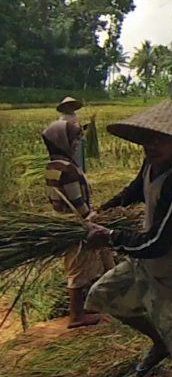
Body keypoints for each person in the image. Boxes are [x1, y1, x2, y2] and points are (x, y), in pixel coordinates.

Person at [83, 101, 172, 377]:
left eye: (162, 139)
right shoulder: (151, 165)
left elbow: (158, 242)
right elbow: (134, 190)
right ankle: (159, 342)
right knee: (101, 295)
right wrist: (103, 211)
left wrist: (110, 236)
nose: (153, 145)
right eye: (149, 137)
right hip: (147, 261)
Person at [42, 119, 114, 329]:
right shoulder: (68, 170)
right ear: (61, 141)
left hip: (63, 219)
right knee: (79, 270)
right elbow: (77, 204)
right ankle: (77, 316)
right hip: (77, 224)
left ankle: (98, 304)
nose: (77, 143)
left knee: (102, 259)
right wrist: (93, 216)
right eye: (74, 139)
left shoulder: (51, 166)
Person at [57, 96, 88, 170]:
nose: (71, 107)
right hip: (70, 143)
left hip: (78, 141)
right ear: (65, 107)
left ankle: (80, 174)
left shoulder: (74, 115)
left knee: (79, 159)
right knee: (74, 160)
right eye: (69, 105)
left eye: (72, 105)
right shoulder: (63, 118)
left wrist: (83, 128)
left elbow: (77, 127)